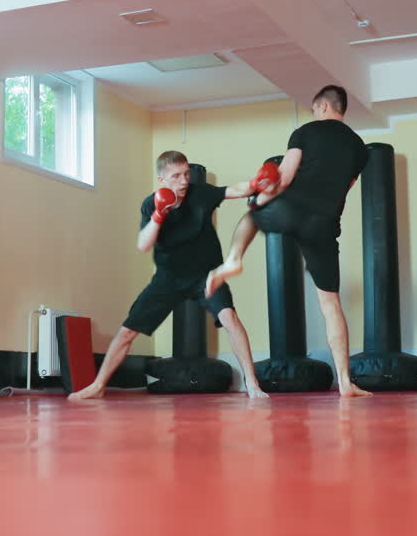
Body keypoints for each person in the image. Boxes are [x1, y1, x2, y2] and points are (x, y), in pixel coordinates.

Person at [68, 151, 280, 400]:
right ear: (162, 179)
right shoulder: (150, 203)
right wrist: (159, 214)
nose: (183, 181)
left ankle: (252, 384)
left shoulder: (200, 193)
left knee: (230, 318)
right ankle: (98, 385)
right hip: (169, 278)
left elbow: (234, 190)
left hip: (205, 275)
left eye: (186, 174)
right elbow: (143, 244)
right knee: (127, 331)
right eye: (176, 176)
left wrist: (256, 183)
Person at [205, 85, 372, 398]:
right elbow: (345, 191)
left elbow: (285, 176)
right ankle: (346, 383)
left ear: (322, 106)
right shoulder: (360, 149)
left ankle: (234, 259)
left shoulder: (306, 131)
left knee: (253, 213)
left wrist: (259, 197)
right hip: (324, 224)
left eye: (314, 108)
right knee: (331, 304)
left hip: (292, 209)